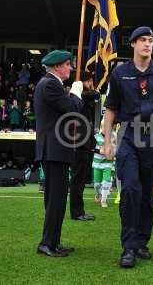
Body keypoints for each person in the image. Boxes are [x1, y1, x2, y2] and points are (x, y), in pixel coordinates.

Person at [102, 26, 153, 268]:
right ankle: (128, 247)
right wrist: (107, 140)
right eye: (143, 40)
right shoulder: (120, 73)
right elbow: (111, 108)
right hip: (128, 135)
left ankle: (141, 241)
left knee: (150, 193)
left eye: (150, 40)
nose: (148, 44)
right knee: (130, 191)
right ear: (134, 44)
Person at [34, 50, 84, 257]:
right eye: (67, 64)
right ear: (56, 67)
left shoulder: (48, 83)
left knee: (55, 199)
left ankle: (52, 241)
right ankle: (47, 244)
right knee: (56, 199)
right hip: (55, 150)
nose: (70, 68)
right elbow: (73, 109)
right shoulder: (51, 84)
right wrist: (76, 92)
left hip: (54, 149)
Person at [69, 71, 100, 220]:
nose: (91, 85)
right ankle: (77, 212)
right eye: (89, 82)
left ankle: (78, 210)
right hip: (78, 143)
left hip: (84, 143)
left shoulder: (82, 97)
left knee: (80, 179)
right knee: (77, 178)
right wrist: (90, 89)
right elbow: (94, 95)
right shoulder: (77, 95)